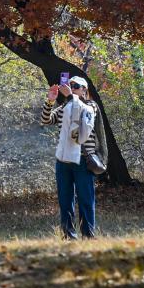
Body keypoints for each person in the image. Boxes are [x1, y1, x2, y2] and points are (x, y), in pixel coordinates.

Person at [41, 76, 106, 239]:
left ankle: (88, 235)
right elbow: (46, 120)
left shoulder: (90, 106)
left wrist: (71, 97)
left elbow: (84, 117)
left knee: (85, 199)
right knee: (65, 200)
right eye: (70, 85)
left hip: (83, 160)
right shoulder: (65, 106)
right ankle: (68, 235)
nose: (72, 88)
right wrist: (50, 101)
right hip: (63, 160)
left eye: (76, 86)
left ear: (84, 90)